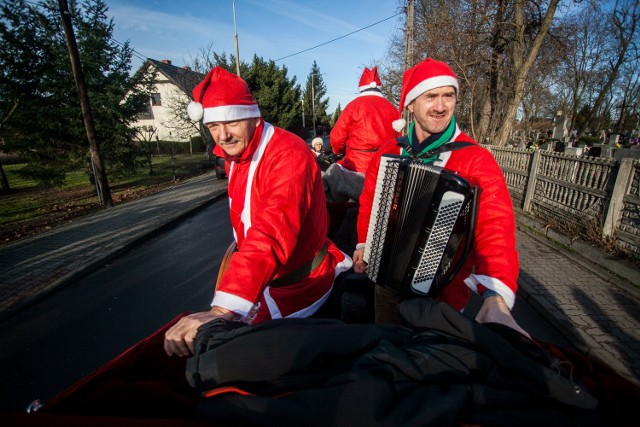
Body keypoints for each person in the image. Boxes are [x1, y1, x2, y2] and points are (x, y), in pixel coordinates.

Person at [164, 67, 353, 357]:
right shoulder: (236, 154)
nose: (223, 135)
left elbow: (270, 231)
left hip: (298, 290)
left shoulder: (287, 155)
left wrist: (221, 309)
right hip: (265, 282)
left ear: (254, 115)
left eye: (232, 122)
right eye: (213, 125)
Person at [352, 58, 528, 337]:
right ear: (410, 104)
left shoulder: (476, 160)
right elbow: (370, 202)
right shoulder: (388, 152)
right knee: (386, 352)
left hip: (442, 295)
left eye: (449, 96)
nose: (441, 106)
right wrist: (365, 242)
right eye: (431, 96)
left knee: (431, 367)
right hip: (384, 283)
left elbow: (496, 230)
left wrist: (495, 297)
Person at [323, 66, 399, 202]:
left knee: (328, 179)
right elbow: (399, 143)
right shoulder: (393, 109)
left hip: (355, 169)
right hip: (383, 172)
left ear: (361, 88)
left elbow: (336, 139)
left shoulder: (353, 106)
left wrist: (338, 150)